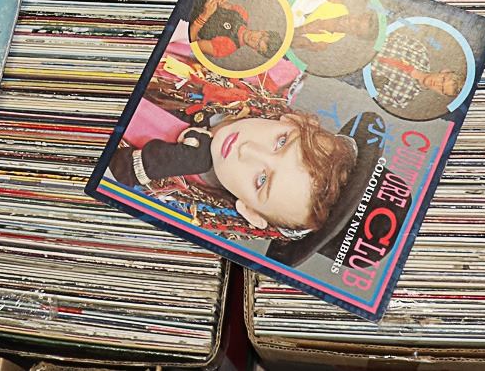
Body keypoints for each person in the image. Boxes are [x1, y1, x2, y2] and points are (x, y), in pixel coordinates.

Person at [107, 39, 361, 246]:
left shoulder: (178, 210)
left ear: (251, 211)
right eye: (281, 142)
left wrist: (151, 164)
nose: (248, 150)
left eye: (261, 180)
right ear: (293, 120)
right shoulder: (262, 66)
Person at [368, 30, 464, 111]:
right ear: (444, 71)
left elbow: (368, 93)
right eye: (443, 79)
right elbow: (385, 34)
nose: (437, 84)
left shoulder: (403, 98)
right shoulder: (419, 51)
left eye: (441, 89)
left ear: (441, 94)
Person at [189, 0, 277, 62]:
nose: (254, 39)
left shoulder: (226, 49)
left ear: (255, 50)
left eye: (257, 44)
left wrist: (204, 16)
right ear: (262, 31)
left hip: (184, 19)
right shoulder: (243, 14)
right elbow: (217, 1)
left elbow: (189, 43)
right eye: (260, 37)